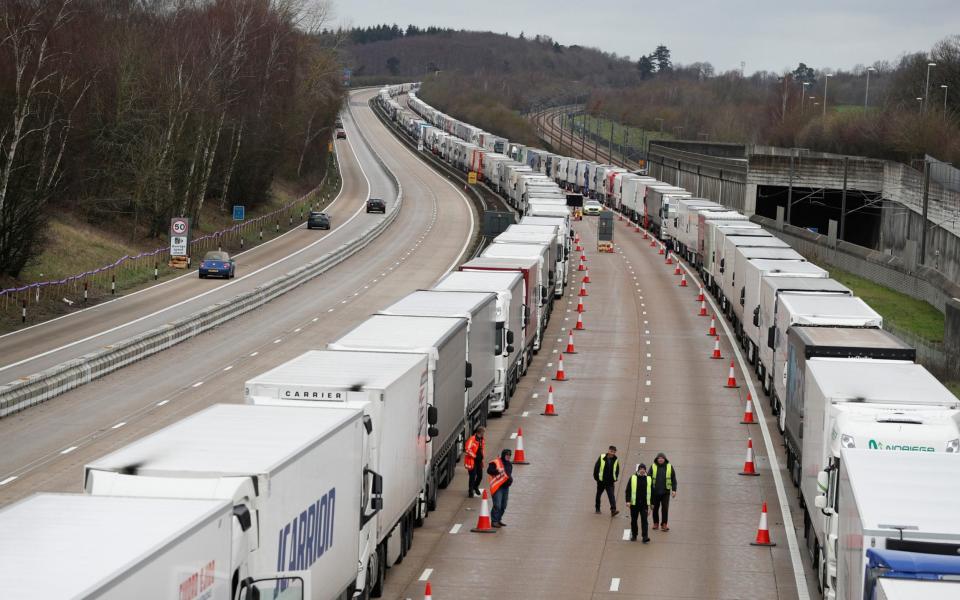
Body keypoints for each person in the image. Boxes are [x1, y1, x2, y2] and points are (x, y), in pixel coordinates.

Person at [650, 452, 677, 531]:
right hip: (655, 492)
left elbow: (673, 479)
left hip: (666, 492)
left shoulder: (669, 467)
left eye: (662, 458)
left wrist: (674, 490)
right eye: (659, 458)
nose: (660, 459)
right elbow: (648, 478)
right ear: (657, 459)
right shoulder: (653, 467)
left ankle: (664, 524)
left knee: (665, 508)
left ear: (665, 459)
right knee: (655, 508)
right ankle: (656, 523)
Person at [625, 463, 652, 543]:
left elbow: (652, 492)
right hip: (634, 504)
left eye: (644, 469)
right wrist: (628, 501)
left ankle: (645, 537)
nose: (642, 470)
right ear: (638, 470)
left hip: (644, 504)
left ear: (645, 470)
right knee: (634, 520)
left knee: (644, 521)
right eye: (641, 469)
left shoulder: (649, 479)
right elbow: (628, 490)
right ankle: (634, 535)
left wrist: (651, 504)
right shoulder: (633, 478)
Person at [487, 449, 513, 528]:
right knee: (497, 505)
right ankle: (494, 521)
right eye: (507, 455)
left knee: (503, 505)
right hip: (498, 487)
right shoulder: (496, 462)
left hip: (505, 488)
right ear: (503, 455)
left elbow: (508, 475)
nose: (508, 457)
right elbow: (489, 471)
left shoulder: (509, 464)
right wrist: (497, 471)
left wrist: (510, 481)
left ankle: (498, 519)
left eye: (509, 455)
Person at [593, 445, 620, 516]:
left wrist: (615, 478)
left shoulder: (616, 459)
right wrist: (596, 478)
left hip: (610, 481)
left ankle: (613, 510)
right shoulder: (602, 457)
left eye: (614, 452)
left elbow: (617, 469)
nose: (612, 453)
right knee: (598, 494)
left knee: (611, 496)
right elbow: (596, 467)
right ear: (608, 451)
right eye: (611, 451)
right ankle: (597, 508)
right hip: (601, 481)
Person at [464, 426, 486, 497]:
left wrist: (481, 458)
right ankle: (470, 491)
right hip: (472, 461)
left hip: (479, 461)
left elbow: (481, 449)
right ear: (480, 432)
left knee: (480, 476)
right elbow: (467, 449)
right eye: (483, 432)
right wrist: (475, 456)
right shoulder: (472, 439)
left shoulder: (481, 439)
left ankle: (475, 486)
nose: (484, 434)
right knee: (472, 476)